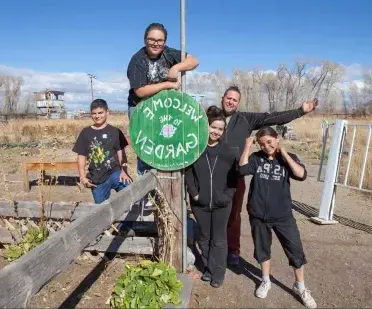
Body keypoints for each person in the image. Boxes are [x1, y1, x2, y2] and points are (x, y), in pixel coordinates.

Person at [218, 86, 319, 265]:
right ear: (222, 98)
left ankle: (232, 250)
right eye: (228, 98)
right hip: (211, 174)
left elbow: (272, 117)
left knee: (233, 214)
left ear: (238, 103)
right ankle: (213, 248)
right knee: (211, 213)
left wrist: (300, 111)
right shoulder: (211, 117)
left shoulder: (245, 119)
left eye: (234, 99)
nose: (231, 102)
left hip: (235, 176)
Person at [238, 127, 317, 309]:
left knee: (295, 251)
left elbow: (301, 174)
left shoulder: (287, 158)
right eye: (262, 143)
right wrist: (248, 147)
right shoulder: (256, 159)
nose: (266, 146)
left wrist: (285, 154)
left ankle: (300, 287)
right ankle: (266, 281)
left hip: (283, 216)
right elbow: (241, 170)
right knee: (262, 250)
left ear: (277, 138)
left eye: (270, 142)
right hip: (259, 215)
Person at [126, 22, 199, 176]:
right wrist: (167, 84)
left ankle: (169, 174)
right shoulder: (137, 61)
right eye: (152, 39)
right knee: (147, 146)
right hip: (141, 107)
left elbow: (194, 60)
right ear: (145, 40)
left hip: (163, 106)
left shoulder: (168, 53)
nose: (156, 43)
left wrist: (177, 67)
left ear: (164, 42)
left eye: (160, 40)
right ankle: (146, 186)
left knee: (167, 139)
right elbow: (140, 91)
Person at [185, 106, 238, 288]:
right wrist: (195, 194)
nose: (216, 131)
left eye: (220, 129)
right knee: (205, 238)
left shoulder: (229, 152)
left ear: (223, 131)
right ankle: (208, 268)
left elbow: (234, 179)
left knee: (219, 239)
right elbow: (188, 173)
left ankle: (218, 273)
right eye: (213, 127)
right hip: (200, 203)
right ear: (206, 126)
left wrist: (226, 196)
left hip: (222, 204)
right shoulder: (196, 148)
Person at [73, 99, 132, 204]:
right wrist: (82, 177)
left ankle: (127, 220)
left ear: (107, 112)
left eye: (100, 113)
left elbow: (121, 154)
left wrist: (124, 171)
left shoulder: (115, 131)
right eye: (94, 113)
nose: (97, 116)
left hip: (115, 173)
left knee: (130, 194)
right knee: (100, 210)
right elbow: (81, 156)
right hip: (97, 178)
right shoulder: (85, 133)